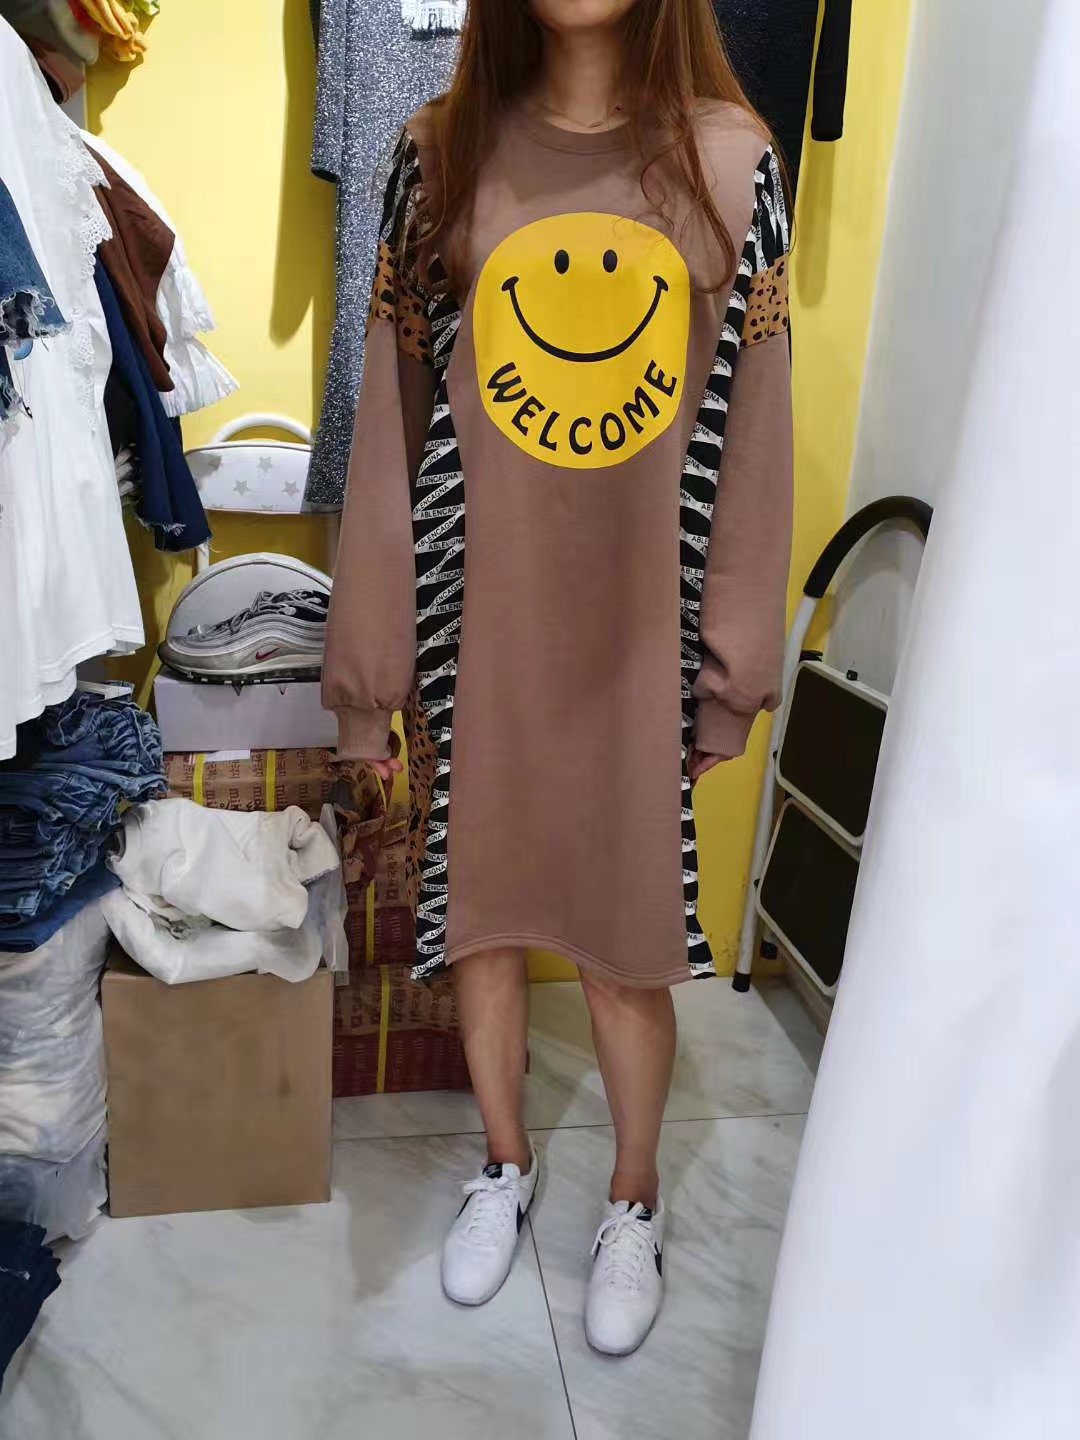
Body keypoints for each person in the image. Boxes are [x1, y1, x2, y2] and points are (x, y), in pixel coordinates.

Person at [324, 0, 793, 1356]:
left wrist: (731, 667)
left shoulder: (732, 163)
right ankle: (505, 1161)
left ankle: (634, 1197)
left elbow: (756, 427)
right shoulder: (439, 155)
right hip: (478, 624)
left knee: (627, 940)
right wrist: (371, 666)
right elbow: (391, 417)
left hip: (643, 635)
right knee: (481, 915)